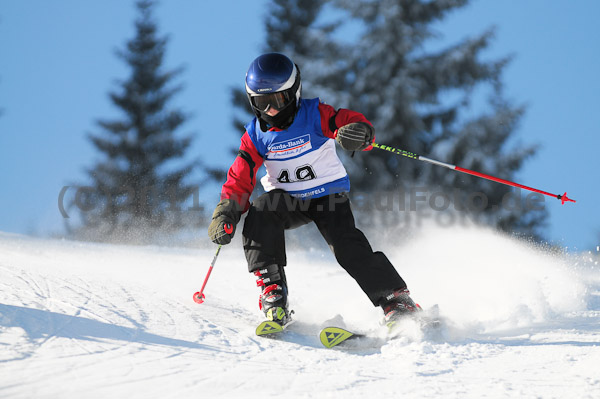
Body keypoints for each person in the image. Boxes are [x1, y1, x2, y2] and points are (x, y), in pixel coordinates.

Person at [208, 53, 418, 327]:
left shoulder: (314, 115)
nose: (271, 110)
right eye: (262, 102)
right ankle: (273, 292)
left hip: (328, 197)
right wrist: (227, 213)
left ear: (294, 93)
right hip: (288, 201)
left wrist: (357, 132)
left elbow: (347, 120)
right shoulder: (256, 136)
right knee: (260, 212)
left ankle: (396, 301)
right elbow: (240, 177)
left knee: (347, 246)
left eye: (278, 100)